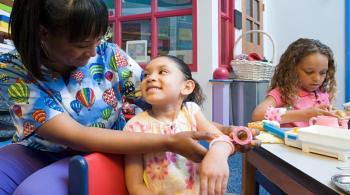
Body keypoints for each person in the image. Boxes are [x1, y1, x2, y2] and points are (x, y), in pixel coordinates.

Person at [0, 0, 245, 194]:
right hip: (37, 150)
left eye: (99, 39)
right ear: (44, 34)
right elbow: (77, 135)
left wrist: (223, 131)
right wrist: (170, 142)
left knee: (33, 191)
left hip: (107, 149)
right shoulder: (12, 68)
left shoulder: (109, 55)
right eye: (83, 44)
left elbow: (169, 106)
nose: (94, 52)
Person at [124, 55, 260, 195]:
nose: (150, 78)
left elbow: (220, 139)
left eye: (162, 72)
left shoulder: (191, 111)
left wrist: (217, 155)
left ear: (187, 87)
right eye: (146, 74)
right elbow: (135, 185)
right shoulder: (134, 126)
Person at [252, 38, 338, 127]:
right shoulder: (283, 92)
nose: (317, 78)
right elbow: (258, 114)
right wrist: (305, 114)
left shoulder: (322, 93)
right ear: (292, 69)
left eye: (322, 73)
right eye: (309, 72)